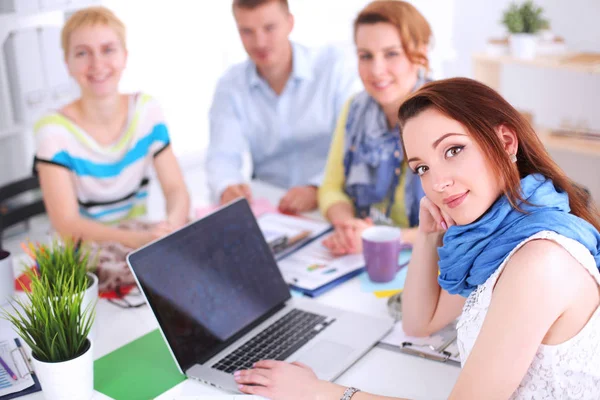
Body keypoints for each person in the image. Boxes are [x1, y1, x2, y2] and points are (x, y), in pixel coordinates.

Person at [233, 77, 600, 399]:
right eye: (422, 167)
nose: (438, 183)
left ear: (505, 141)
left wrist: (319, 393)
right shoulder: (493, 235)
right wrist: (428, 234)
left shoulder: (539, 261)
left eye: (453, 150)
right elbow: (419, 323)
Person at [34, 6, 190, 290]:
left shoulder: (147, 111)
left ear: (124, 56)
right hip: (83, 264)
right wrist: (140, 242)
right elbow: (67, 224)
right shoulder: (52, 131)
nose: (97, 64)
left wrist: (171, 227)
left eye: (108, 49)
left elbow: (176, 189)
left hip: (139, 244)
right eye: (82, 53)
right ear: (67, 62)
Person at [206, 0, 358, 214]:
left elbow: (353, 145)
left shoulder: (333, 68)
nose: (259, 43)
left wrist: (317, 187)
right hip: (270, 206)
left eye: (269, 28)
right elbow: (222, 155)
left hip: (330, 202)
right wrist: (227, 186)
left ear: (290, 23)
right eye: (247, 31)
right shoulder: (231, 85)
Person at [319, 0, 430, 256]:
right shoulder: (354, 109)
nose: (376, 70)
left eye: (391, 54)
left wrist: (381, 238)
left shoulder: (446, 114)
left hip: (428, 261)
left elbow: (462, 221)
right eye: (365, 56)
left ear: (420, 53)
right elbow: (331, 188)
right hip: (362, 255)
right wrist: (348, 226)